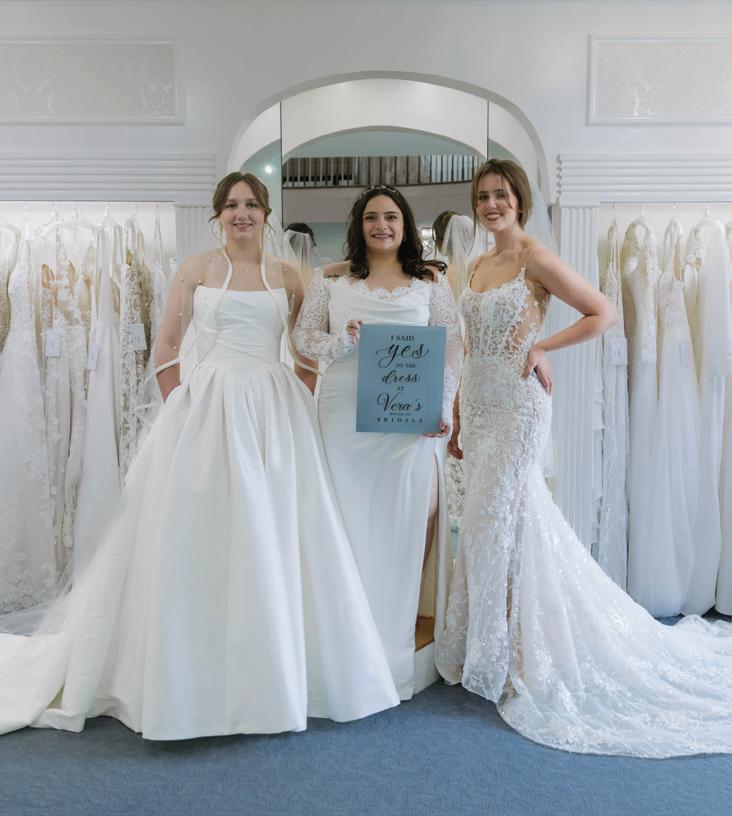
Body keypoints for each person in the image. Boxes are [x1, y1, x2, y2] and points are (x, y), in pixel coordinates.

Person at [0, 172, 399, 740]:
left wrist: (302, 396)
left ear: (266, 213)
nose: (242, 213)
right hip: (208, 405)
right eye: (232, 205)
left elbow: (305, 348)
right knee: (199, 533)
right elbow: (166, 347)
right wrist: (180, 406)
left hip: (273, 408)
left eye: (251, 204)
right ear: (219, 215)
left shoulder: (289, 276)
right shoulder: (194, 269)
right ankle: (191, 676)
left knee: (272, 531)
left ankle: (272, 674)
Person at [435, 158, 732, 758]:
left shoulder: (535, 259)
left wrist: (542, 345)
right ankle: (499, 644)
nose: (491, 205)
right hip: (482, 406)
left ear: (520, 201)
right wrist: (461, 411)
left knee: (494, 523)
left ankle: (515, 658)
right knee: (501, 528)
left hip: (520, 407)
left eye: (501, 195)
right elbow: (471, 347)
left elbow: (604, 312)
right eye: (483, 196)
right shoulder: (476, 265)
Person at [293, 184, 463, 699]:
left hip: (409, 417)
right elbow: (302, 338)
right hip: (344, 414)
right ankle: (344, 634)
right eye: (371, 217)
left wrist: (443, 405)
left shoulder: (430, 282)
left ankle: (391, 634)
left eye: (391, 216)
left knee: (410, 517)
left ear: (405, 225)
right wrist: (340, 341)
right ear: (359, 225)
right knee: (347, 519)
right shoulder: (331, 279)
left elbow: (452, 345)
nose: (381, 225)